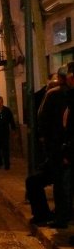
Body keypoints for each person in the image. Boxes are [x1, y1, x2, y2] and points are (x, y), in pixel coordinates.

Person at [38, 65, 71, 228]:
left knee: (61, 185)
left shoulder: (55, 95)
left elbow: (45, 122)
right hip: (62, 147)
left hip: (60, 148)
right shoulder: (62, 94)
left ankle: (62, 217)